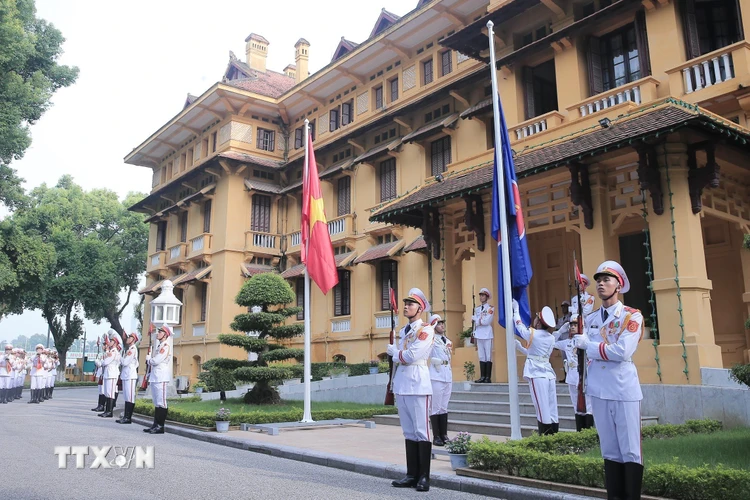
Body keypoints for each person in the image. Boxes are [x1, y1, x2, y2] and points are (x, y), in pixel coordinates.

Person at [573, 260, 644, 499]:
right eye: (599, 280)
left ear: (619, 285)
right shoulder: (590, 319)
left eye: (607, 280)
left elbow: (622, 352)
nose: (601, 284)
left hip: (623, 389)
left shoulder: (631, 317)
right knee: (610, 449)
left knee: (630, 450)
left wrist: (589, 346)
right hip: (599, 389)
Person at [387, 288, 435, 492]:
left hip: (418, 383)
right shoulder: (404, 331)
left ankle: (424, 477)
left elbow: (411, 356)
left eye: (411, 304)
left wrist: (395, 353)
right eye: (405, 304)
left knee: (422, 431)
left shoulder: (426, 329)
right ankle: (411, 474)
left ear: (420, 308)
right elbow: (401, 360)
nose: (406, 307)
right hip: (403, 384)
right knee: (409, 432)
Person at [512, 302, 560, 435]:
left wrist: (516, 310)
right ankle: (554, 437)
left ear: (538, 323)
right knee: (551, 407)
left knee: (541, 407)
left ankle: (545, 438)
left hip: (536, 373)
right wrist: (521, 348)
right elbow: (535, 353)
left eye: (536, 317)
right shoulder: (550, 338)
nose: (534, 319)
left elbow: (519, 326)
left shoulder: (533, 333)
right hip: (548, 374)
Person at [553, 314, 594, 431]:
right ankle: (579, 432)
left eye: (575, 324)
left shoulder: (587, 340)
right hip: (572, 377)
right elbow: (551, 342)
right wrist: (560, 331)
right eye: (571, 325)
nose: (572, 327)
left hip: (586, 376)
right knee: (577, 406)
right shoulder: (567, 342)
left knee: (589, 406)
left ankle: (589, 432)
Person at [427, 313, 452, 447]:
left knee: (444, 406)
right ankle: (436, 436)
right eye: (439, 324)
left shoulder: (447, 340)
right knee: (435, 407)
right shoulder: (431, 340)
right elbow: (427, 354)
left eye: (442, 323)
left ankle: (444, 434)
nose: (442, 325)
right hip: (436, 374)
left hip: (447, 374)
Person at [145, 325, 172, 434]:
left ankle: (160, 426)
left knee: (161, 402)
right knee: (156, 402)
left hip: (161, 376)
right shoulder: (159, 346)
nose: (158, 333)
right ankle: (155, 425)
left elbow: (156, 361)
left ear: (165, 334)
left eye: (160, 332)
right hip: (155, 376)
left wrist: (149, 360)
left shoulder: (165, 346)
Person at [472, 287, 495, 383]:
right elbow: (475, 322)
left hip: (487, 333)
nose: (481, 297)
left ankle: (488, 377)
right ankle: (482, 377)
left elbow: (487, 321)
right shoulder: (477, 309)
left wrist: (477, 320)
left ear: (487, 297)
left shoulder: (490, 308)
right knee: (481, 356)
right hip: (479, 333)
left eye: (483, 295)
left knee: (488, 355)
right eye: (480, 295)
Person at [117, 331, 140, 424]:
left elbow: (125, 362)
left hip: (130, 375)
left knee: (130, 397)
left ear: (133, 340)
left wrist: (120, 357)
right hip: (126, 374)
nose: (127, 338)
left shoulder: (132, 349)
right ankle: (126, 416)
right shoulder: (129, 349)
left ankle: (128, 417)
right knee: (126, 396)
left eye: (130, 337)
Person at [99, 331, 122, 418]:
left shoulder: (113, 352)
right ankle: (107, 410)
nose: (109, 342)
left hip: (112, 374)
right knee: (107, 392)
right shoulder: (111, 351)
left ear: (115, 343)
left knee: (110, 393)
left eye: (111, 341)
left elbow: (105, 362)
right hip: (108, 373)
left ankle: (109, 411)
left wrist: (103, 360)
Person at [91, 334, 108, 412]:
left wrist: (98, 361)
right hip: (100, 372)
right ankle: (99, 405)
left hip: (104, 373)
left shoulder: (107, 354)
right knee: (100, 390)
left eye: (104, 344)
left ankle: (102, 406)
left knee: (103, 390)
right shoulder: (102, 354)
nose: (103, 346)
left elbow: (101, 363)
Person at [557, 301, 572, 382]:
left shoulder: (570, 318)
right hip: (562, 341)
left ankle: (570, 377)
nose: (563, 308)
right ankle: (566, 376)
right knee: (564, 361)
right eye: (562, 307)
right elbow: (558, 330)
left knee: (570, 360)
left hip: (568, 341)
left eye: (565, 307)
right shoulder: (560, 319)